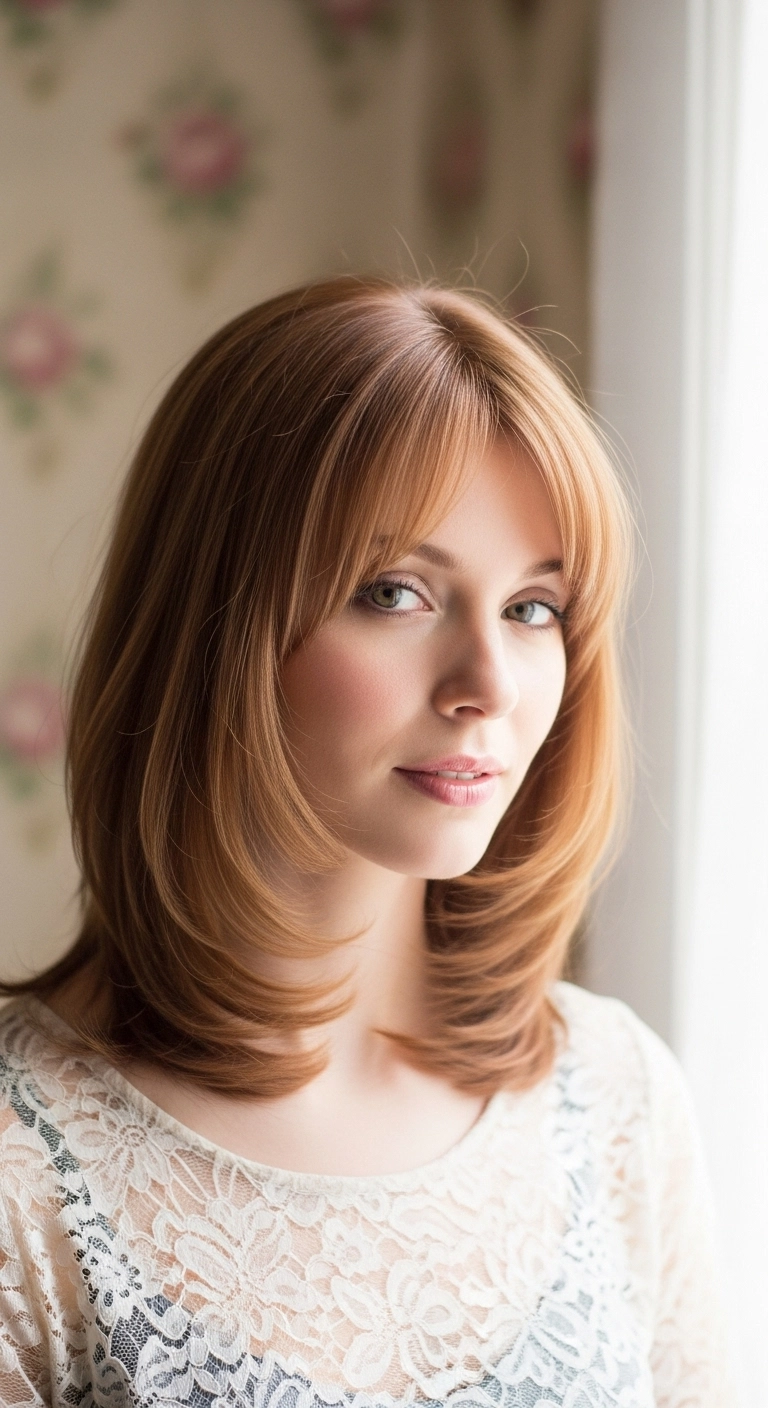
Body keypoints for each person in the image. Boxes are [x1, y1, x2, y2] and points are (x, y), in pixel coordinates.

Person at [0, 278, 730, 1407]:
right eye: (395, 593)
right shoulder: (21, 1160)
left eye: (535, 608)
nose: (489, 684)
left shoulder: (617, 1096)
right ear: (219, 625)